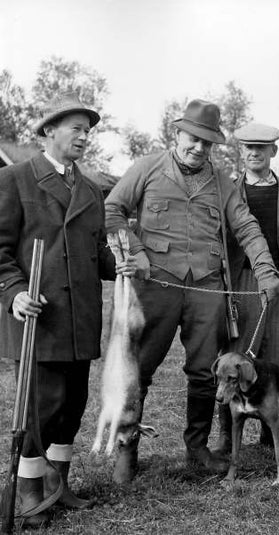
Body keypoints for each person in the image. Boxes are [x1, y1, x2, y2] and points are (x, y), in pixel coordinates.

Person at [105, 100, 279, 483]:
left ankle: (198, 448)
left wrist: (266, 270)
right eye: (193, 139)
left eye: (207, 142)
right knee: (139, 370)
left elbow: (247, 227)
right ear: (177, 134)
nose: (199, 148)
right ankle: (126, 449)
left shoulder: (221, 181)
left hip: (207, 289)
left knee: (206, 372)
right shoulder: (147, 168)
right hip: (155, 286)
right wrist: (135, 251)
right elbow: (112, 210)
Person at [0, 92, 136, 528]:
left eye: (87, 130)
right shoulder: (16, 179)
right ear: (48, 131)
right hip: (39, 318)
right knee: (40, 409)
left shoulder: (92, 188)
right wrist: (15, 292)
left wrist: (122, 266)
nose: (83, 137)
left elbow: (96, 250)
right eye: (75, 128)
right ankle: (28, 492)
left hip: (80, 320)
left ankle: (58, 485)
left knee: (72, 405)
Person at [214, 122, 279, 453]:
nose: (254, 153)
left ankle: (271, 433)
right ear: (241, 152)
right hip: (242, 282)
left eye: (261, 148)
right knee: (237, 353)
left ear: (273, 151)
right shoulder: (227, 190)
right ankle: (228, 433)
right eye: (248, 148)